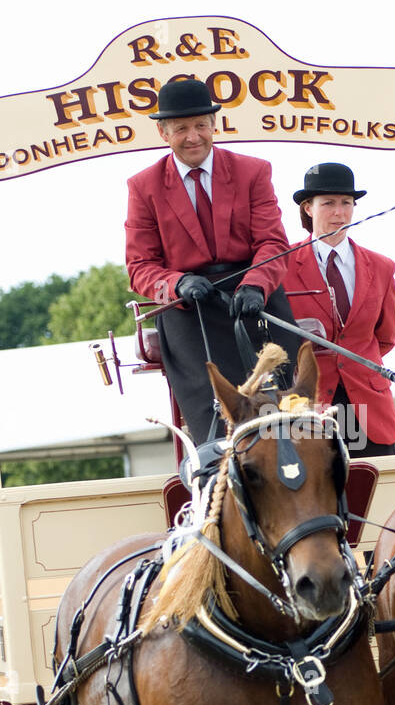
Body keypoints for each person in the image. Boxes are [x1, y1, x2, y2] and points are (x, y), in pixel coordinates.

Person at [125, 78, 302, 445]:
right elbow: (140, 266)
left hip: (254, 301)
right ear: (163, 132)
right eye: (181, 129)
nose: (193, 137)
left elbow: (272, 242)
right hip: (190, 312)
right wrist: (177, 284)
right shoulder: (144, 186)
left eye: (201, 125)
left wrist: (256, 284)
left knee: (290, 410)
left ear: (214, 125)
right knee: (215, 424)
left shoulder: (253, 171)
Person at [284, 162, 395, 457]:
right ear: (308, 208)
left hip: (369, 409)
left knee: (374, 492)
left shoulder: (382, 267)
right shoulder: (281, 266)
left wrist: (354, 364)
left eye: (346, 203)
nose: (339, 212)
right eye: (329, 203)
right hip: (308, 407)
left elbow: (385, 338)